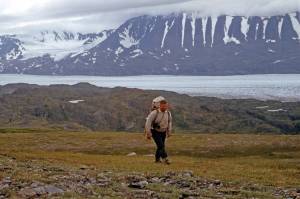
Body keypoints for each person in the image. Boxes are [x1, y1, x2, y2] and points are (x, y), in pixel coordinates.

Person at [145, 99, 172, 164]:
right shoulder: (154, 113)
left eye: (165, 106)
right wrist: (148, 132)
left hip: (163, 131)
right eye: (163, 106)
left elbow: (169, 122)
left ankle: (157, 160)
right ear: (160, 106)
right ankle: (165, 158)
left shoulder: (168, 113)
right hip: (155, 131)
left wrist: (169, 131)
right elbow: (148, 122)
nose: (164, 108)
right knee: (161, 146)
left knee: (160, 146)